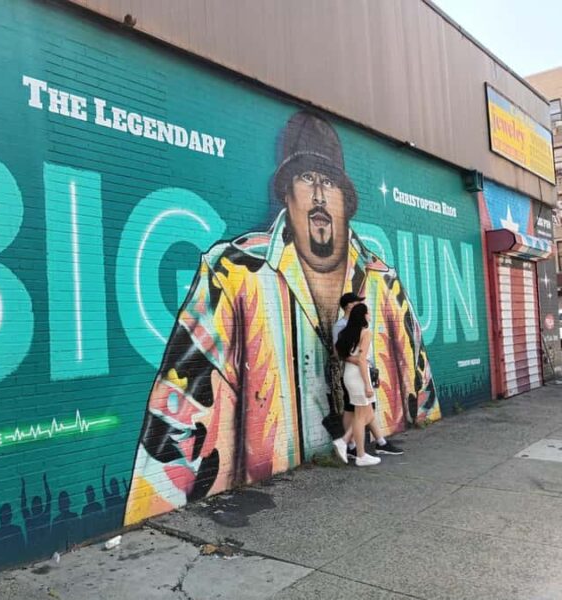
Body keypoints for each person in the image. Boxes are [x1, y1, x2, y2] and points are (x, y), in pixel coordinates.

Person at [124, 110, 439, 525]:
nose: (320, 195)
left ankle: (364, 442)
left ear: (346, 201)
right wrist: (153, 515)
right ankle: (360, 445)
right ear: (287, 198)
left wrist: (418, 420)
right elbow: (174, 428)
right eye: (307, 180)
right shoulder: (233, 274)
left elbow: (421, 388)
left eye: (330, 182)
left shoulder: (384, 283)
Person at [332, 293, 403, 459]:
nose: (362, 306)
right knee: (355, 411)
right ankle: (350, 445)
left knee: (367, 411)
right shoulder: (341, 326)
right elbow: (339, 353)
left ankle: (378, 443)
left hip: (363, 371)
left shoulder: (357, 326)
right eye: (358, 302)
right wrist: (358, 362)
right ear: (349, 306)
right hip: (357, 373)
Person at [334, 304, 381, 466]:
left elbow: (342, 354)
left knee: (367, 414)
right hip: (360, 376)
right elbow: (362, 360)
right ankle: (360, 455)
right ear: (363, 316)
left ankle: (345, 440)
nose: (370, 315)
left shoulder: (347, 333)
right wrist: (368, 385)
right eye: (368, 313)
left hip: (349, 374)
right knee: (361, 417)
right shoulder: (366, 332)